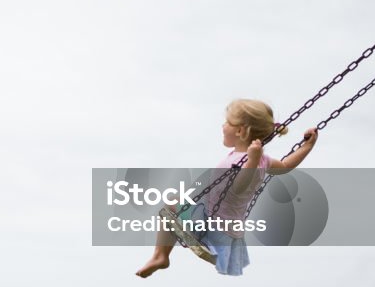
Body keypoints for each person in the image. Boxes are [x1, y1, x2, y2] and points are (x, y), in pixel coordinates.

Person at [135, 99, 318, 277]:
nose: (223, 126)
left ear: (240, 131)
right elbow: (285, 166)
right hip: (226, 227)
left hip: (214, 227)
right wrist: (308, 145)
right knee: (174, 203)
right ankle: (161, 257)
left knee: (171, 203)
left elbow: (238, 187)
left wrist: (253, 161)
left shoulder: (249, 161)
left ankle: (161, 256)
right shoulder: (261, 159)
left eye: (227, 122)